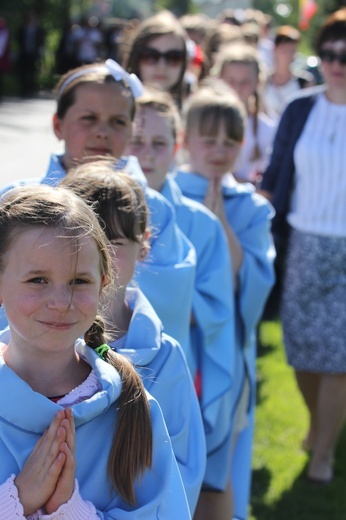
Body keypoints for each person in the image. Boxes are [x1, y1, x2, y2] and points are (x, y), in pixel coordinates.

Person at [0, 184, 191, 518]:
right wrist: (16, 500)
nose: (61, 303)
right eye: (37, 280)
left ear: (104, 284)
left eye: (78, 281)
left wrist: (68, 509)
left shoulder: (134, 410)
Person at [0, 59, 196, 353]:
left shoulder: (154, 207)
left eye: (117, 122)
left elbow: (170, 296)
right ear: (58, 125)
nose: (103, 132)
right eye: (89, 118)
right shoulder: (16, 201)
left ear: (132, 131)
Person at [61, 162, 206, 515]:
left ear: (144, 246)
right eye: (83, 239)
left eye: (113, 241)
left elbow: (181, 475)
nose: (97, 256)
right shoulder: (33, 345)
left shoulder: (165, 359)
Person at [126, 86, 237, 516]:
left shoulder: (200, 225)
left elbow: (217, 313)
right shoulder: (89, 209)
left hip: (177, 371)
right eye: (137, 141)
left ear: (176, 148)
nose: (146, 155)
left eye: (158, 144)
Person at [174, 81, 275, 519]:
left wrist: (219, 224)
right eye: (208, 139)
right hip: (179, 348)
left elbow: (251, 286)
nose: (219, 150)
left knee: (219, 459)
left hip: (226, 353)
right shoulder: (165, 196)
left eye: (230, 140)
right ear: (185, 140)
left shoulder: (250, 207)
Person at [260, 8, 346, 484]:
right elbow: (275, 174)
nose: (337, 62)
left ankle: (325, 452)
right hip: (302, 245)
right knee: (301, 349)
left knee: (339, 355)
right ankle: (318, 424)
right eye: (330, 52)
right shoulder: (300, 108)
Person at [210, 43, 276, 185]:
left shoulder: (267, 129)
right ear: (219, 79)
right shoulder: (205, 123)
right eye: (230, 81)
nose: (237, 88)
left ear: (257, 82)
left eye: (245, 82)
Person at [123, 10, 189, 108]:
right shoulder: (114, 110)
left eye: (173, 57)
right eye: (151, 56)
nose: (162, 66)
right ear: (136, 58)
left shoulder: (192, 117)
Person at [262, 25, 315, 121]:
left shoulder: (304, 82)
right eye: (284, 49)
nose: (288, 54)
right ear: (275, 50)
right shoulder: (262, 79)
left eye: (292, 50)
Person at [16, 11, 45, 97]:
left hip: (34, 54)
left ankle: (31, 89)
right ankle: (24, 90)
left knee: (33, 73)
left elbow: (41, 42)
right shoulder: (23, 29)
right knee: (24, 72)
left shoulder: (39, 30)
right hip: (24, 53)